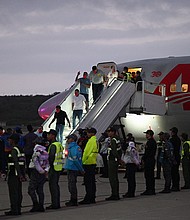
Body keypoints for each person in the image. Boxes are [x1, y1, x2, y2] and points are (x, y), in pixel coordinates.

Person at [5, 134, 26, 216]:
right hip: (19, 173)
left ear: (13, 140)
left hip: (14, 174)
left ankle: (14, 210)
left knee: (13, 192)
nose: (8, 141)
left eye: (9, 140)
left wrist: (19, 174)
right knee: (18, 192)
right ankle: (18, 209)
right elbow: (23, 163)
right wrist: (22, 174)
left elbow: (16, 163)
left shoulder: (14, 150)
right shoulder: (21, 149)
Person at [28, 137, 49, 212]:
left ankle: (35, 205)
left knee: (31, 189)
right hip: (42, 173)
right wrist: (45, 170)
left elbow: (35, 162)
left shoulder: (36, 152)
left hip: (35, 172)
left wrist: (40, 170)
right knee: (40, 190)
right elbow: (47, 163)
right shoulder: (45, 152)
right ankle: (41, 206)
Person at [79, 127, 99, 205]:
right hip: (93, 162)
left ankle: (88, 198)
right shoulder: (95, 140)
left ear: (92, 133)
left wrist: (83, 162)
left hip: (88, 163)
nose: (87, 134)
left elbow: (87, 152)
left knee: (88, 182)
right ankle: (92, 197)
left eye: (88, 132)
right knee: (92, 182)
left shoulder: (91, 141)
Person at [64, 134, 84, 206]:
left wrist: (81, 169)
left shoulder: (74, 148)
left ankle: (74, 200)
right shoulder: (71, 147)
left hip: (73, 168)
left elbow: (76, 160)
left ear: (72, 139)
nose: (67, 140)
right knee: (71, 185)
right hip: (70, 168)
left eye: (69, 139)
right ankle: (72, 199)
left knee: (72, 185)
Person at [46, 129, 64, 209]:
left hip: (53, 168)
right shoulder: (59, 144)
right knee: (56, 186)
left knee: (53, 186)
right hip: (59, 167)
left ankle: (55, 204)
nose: (48, 136)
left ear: (53, 136)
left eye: (49, 135)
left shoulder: (53, 145)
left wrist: (48, 167)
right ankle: (57, 203)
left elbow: (51, 157)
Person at [105, 126, 122, 201]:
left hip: (112, 160)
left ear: (113, 132)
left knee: (112, 178)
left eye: (109, 132)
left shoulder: (113, 140)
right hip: (114, 160)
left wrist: (118, 159)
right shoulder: (117, 139)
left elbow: (114, 151)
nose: (108, 133)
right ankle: (116, 193)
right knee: (115, 177)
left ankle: (114, 194)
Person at [141, 130, 157, 196]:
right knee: (150, 175)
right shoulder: (153, 142)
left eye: (146, 134)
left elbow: (147, 152)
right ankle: (151, 189)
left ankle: (149, 189)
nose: (146, 135)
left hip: (149, 160)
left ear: (149, 134)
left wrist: (143, 158)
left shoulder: (150, 142)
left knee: (148, 175)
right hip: (151, 159)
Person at [170, 127, 181, 191]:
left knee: (173, 172)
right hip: (177, 156)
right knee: (176, 172)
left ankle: (174, 186)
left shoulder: (172, 139)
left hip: (174, 157)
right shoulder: (178, 139)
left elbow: (171, 150)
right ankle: (177, 185)